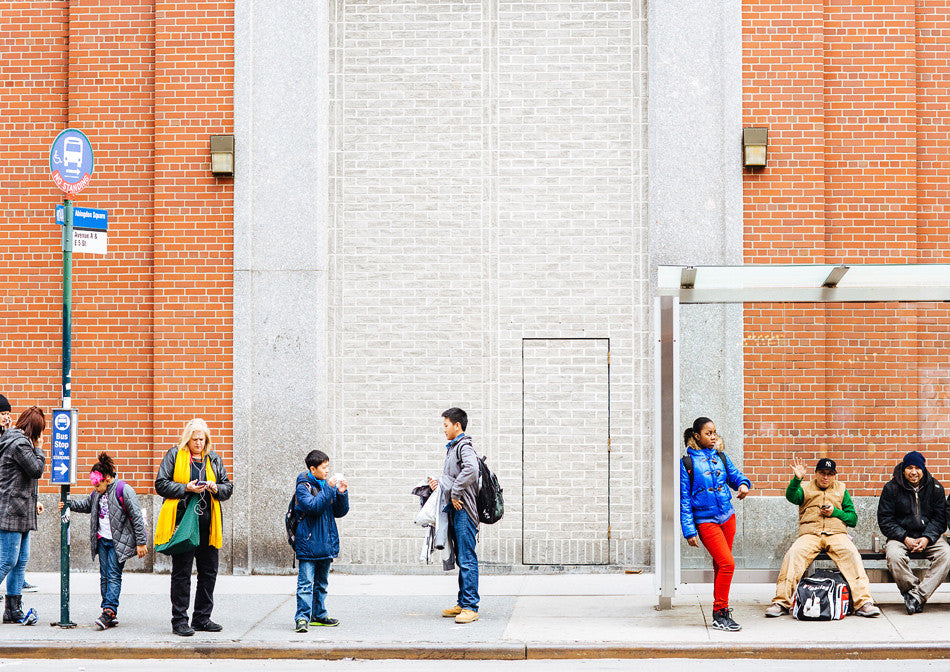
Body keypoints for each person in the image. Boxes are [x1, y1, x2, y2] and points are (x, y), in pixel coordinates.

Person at [765, 457, 881, 617]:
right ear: (816, 473)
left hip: (836, 534)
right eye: (822, 473)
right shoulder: (805, 488)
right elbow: (791, 497)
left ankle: (863, 603)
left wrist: (835, 512)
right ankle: (781, 602)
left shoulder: (841, 489)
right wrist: (797, 479)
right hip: (810, 534)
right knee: (793, 555)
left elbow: (853, 519)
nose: (826, 477)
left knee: (852, 554)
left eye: (830, 474)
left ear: (834, 475)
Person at [155, 418, 232, 637]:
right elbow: (161, 484)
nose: (198, 443)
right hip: (184, 524)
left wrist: (216, 487)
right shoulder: (174, 455)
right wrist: (186, 488)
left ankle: (202, 618)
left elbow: (228, 487)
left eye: (202, 439)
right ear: (187, 440)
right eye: (194, 439)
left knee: (209, 572)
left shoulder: (213, 459)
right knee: (182, 573)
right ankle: (179, 620)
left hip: (209, 525)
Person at [59, 453, 148, 629]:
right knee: (104, 576)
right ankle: (108, 610)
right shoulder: (97, 493)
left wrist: (141, 542)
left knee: (113, 575)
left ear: (107, 479)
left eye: (97, 485)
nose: (95, 488)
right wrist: (68, 504)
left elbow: (137, 516)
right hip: (102, 540)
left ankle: (109, 611)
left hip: (118, 542)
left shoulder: (123, 490)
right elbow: (87, 505)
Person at [680, 417, 750, 632]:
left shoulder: (721, 457)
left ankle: (721, 613)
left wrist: (743, 484)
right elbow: (684, 499)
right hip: (705, 521)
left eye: (714, 433)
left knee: (721, 565)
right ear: (697, 436)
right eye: (708, 433)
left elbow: (735, 476)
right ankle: (720, 612)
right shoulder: (687, 463)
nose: (713, 437)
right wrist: (689, 530)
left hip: (727, 517)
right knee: (728, 564)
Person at [877, 450, 949, 615]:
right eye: (909, 468)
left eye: (917, 468)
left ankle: (917, 596)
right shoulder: (891, 488)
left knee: (946, 555)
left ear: (923, 469)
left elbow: (940, 519)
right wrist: (904, 537)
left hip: (928, 537)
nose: (913, 472)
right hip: (900, 537)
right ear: (903, 469)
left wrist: (927, 538)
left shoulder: (936, 488)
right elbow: (885, 520)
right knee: (894, 556)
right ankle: (912, 591)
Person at [428, 407, 480, 624]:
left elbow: (472, 469)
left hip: (464, 510)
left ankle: (470, 607)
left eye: (446, 425)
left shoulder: (464, 446)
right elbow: (453, 477)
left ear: (457, 425)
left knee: (467, 558)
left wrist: (456, 493)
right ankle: (462, 602)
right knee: (461, 557)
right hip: (456, 509)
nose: (444, 429)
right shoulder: (454, 448)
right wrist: (439, 485)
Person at [292, 449, 349, 632]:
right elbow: (314, 507)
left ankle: (319, 614)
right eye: (324, 468)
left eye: (328, 467)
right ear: (312, 469)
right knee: (305, 584)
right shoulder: (303, 487)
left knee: (322, 584)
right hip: (308, 542)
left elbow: (339, 512)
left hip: (325, 542)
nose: (327, 471)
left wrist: (341, 494)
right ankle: (302, 618)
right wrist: (329, 489)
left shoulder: (326, 486)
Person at [0, 407, 45, 624]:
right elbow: (36, 469)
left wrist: (35, 502)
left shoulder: (17, 441)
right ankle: (12, 609)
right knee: (8, 560)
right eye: (40, 430)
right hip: (12, 510)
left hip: (22, 510)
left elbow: (23, 478)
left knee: (20, 561)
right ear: (34, 429)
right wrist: (39, 448)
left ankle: (13, 610)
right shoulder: (19, 444)